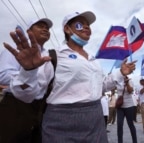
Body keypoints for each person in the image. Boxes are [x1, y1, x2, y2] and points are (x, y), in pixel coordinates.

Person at [3, 11, 136, 143]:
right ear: (67, 29)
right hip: (61, 124)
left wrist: (120, 72)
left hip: (95, 122)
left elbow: (100, 86)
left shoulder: (93, 60)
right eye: (79, 24)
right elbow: (27, 95)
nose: (86, 27)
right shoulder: (53, 56)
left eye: (88, 25)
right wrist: (28, 71)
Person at [0, 18, 53, 143]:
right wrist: (28, 73)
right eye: (40, 26)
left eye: (47, 28)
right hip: (15, 107)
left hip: (38, 110)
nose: (45, 29)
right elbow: (3, 75)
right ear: (29, 31)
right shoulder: (17, 48)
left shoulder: (47, 54)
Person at [116, 75, 137, 143]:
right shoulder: (118, 81)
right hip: (120, 107)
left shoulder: (130, 80)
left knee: (130, 124)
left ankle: (134, 141)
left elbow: (130, 91)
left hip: (129, 106)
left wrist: (127, 83)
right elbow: (113, 89)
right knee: (119, 125)